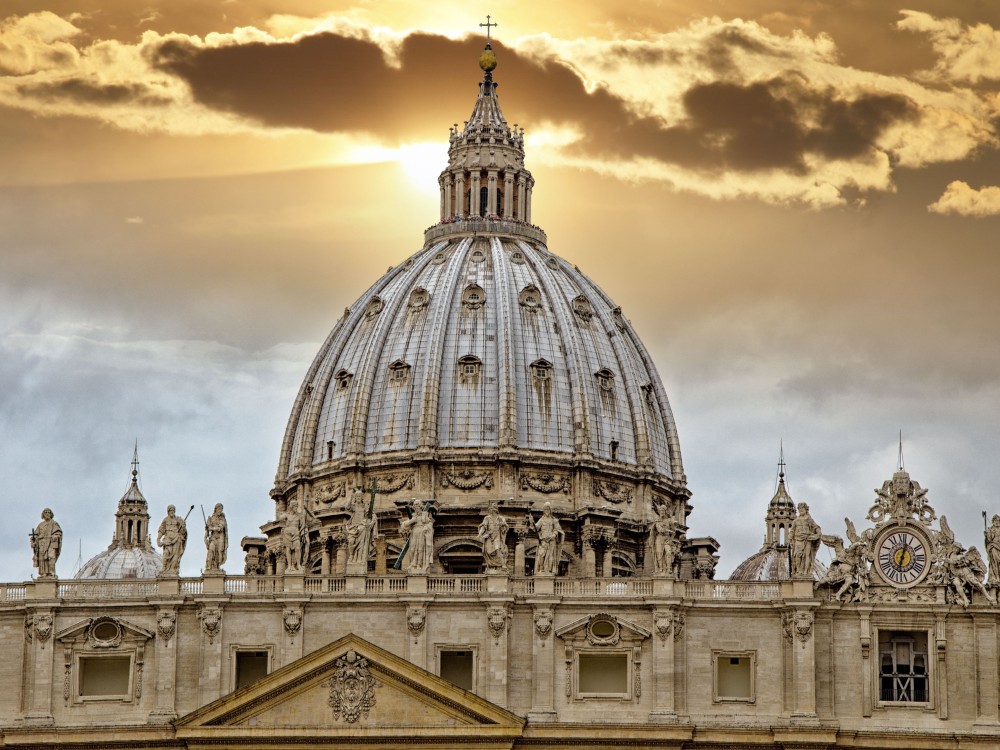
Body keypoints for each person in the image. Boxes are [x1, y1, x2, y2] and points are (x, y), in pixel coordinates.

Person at [400, 500, 434, 574]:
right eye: (415, 507)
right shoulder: (413, 516)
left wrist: (426, 528)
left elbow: (430, 524)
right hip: (414, 533)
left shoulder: (425, 515)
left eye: (418, 506)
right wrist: (411, 521)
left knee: (420, 549)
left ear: (421, 507)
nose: (416, 508)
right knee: (412, 549)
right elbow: (404, 525)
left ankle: (419, 565)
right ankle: (413, 564)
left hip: (422, 533)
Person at [789, 502, 821, 577]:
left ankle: (805, 572)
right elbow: (792, 531)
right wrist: (790, 536)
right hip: (798, 539)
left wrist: (818, 532)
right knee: (797, 555)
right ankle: (799, 571)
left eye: (802, 508)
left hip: (808, 539)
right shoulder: (795, 521)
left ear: (806, 509)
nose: (801, 510)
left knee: (807, 555)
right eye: (799, 509)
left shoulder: (809, 520)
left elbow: (816, 527)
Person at [648, 503, 679, 576]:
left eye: (663, 511)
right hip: (659, 539)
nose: (661, 512)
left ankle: (668, 569)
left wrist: (671, 540)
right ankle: (660, 569)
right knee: (659, 555)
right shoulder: (657, 521)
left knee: (668, 553)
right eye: (660, 511)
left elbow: (674, 532)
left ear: (665, 512)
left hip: (667, 539)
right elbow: (656, 531)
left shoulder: (669, 521)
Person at [534, 503, 564, 575]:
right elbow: (536, 528)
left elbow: (558, 530)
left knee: (551, 556)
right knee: (541, 555)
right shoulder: (541, 520)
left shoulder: (554, 520)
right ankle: (541, 569)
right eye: (545, 509)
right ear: (543, 511)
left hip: (551, 540)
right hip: (543, 540)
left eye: (548, 509)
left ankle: (549, 571)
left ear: (550, 510)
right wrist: (532, 523)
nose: (546, 510)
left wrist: (554, 535)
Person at [478, 503, 509, 571]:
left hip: (498, 536)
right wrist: (480, 534)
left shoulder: (501, 518)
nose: (491, 511)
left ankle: (503, 564)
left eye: (492, 509)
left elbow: (506, 527)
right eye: (490, 510)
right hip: (489, 536)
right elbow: (484, 526)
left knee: (498, 549)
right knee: (488, 551)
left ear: (495, 510)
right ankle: (491, 565)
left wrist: (503, 525)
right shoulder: (487, 518)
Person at [31, 508, 62, 578]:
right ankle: (43, 573)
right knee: (42, 559)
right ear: (43, 515)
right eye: (46, 512)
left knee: (51, 557)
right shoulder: (40, 525)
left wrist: (55, 536)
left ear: (51, 514)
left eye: (49, 512)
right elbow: (35, 535)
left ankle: (52, 573)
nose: (47, 514)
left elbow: (58, 533)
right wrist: (33, 540)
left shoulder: (54, 523)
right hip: (42, 543)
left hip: (51, 543)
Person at [157, 505, 187, 575]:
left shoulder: (178, 519)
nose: (172, 512)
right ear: (168, 511)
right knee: (166, 553)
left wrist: (183, 526)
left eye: (173, 510)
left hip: (176, 539)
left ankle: (172, 569)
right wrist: (158, 539)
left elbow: (183, 531)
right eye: (171, 510)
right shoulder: (165, 520)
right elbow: (161, 530)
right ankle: (164, 568)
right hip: (168, 540)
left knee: (175, 556)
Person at [345, 492, 373, 566]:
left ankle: (359, 558)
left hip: (361, 526)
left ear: (361, 497)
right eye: (357, 496)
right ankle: (351, 555)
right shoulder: (353, 506)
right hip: (353, 527)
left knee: (361, 544)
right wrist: (351, 498)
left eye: (359, 496)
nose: (358, 498)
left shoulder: (364, 507)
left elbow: (369, 515)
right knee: (351, 541)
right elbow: (347, 507)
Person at [281, 500, 307, 573]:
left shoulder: (300, 516)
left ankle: (298, 565)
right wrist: (283, 514)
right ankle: (289, 566)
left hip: (296, 532)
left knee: (298, 548)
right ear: (291, 507)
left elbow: (303, 525)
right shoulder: (287, 515)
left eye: (297, 506)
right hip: (287, 533)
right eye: (295, 506)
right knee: (288, 549)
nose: (296, 508)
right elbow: (281, 517)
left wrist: (299, 531)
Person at [204, 503, 228, 572]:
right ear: (216, 509)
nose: (220, 510)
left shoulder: (222, 518)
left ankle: (217, 567)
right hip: (213, 537)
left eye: (221, 509)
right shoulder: (211, 518)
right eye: (219, 509)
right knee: (211, 549)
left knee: (219, 552)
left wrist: (212, 528)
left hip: (220, 537)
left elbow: (220, 528)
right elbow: (208, 528)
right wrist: (207, 528)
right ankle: (209, 566)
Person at [986, 515, 1000, 585]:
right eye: (995, 521)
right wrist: (986, 535)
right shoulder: (991, 529)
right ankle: (996, 576)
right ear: (993, 522)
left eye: (998, 521)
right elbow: (989, 540)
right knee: (995, 562)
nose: (997, 522)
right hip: (994, 546)